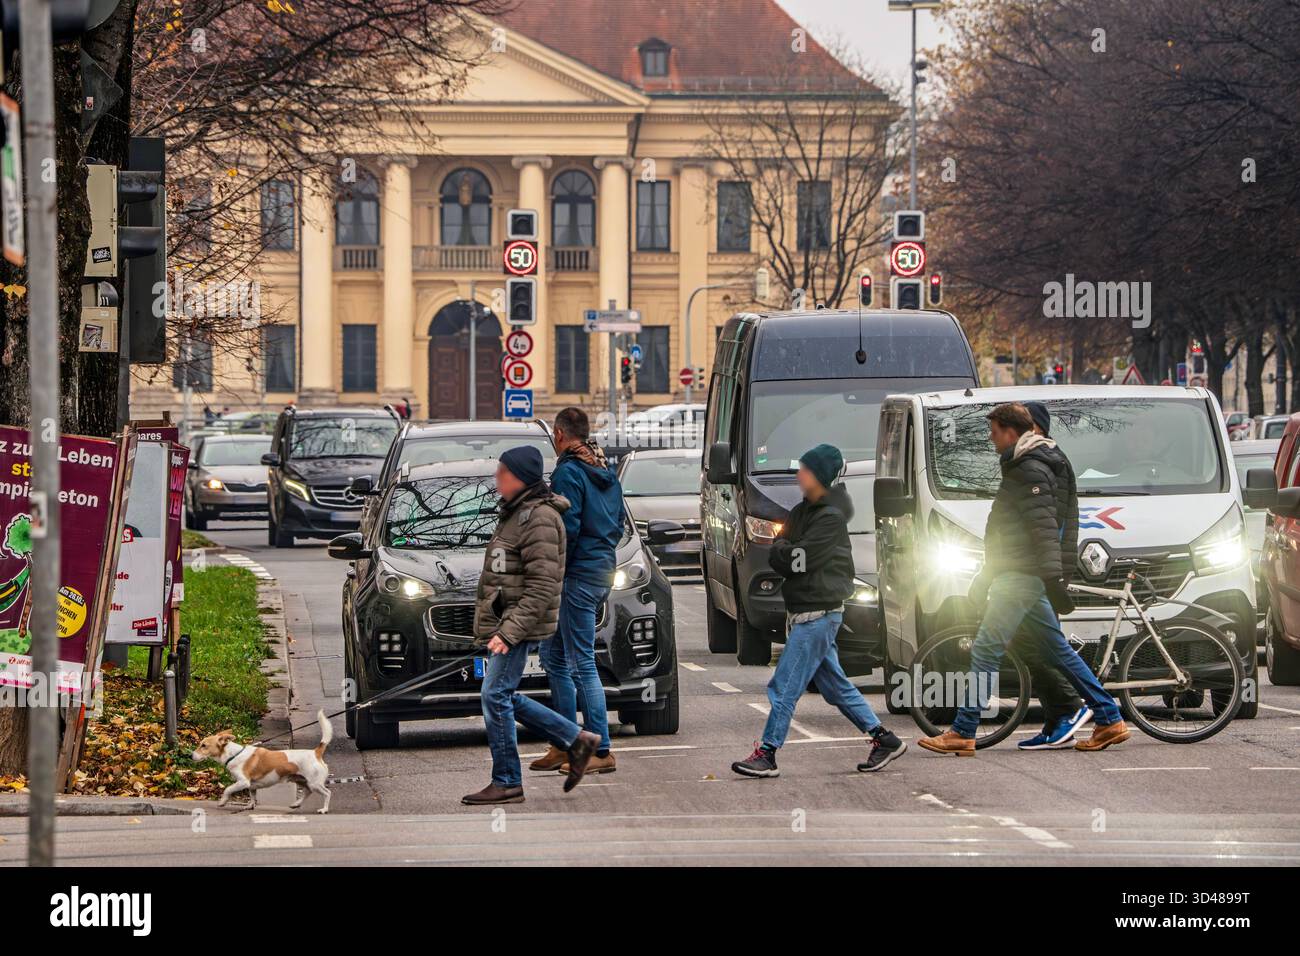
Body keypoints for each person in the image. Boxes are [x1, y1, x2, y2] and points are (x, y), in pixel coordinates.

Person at [919, 403, 1128, 756]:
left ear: (1011, 432)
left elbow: (1044, 528)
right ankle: (1108, 716)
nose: (990, 437)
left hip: (1019, 575)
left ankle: (964, 729)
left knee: (986, 648)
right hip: (1018, 573)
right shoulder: (1023, 464)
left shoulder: (1030, 468)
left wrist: (1050, 580)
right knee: (1055, 649)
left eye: (994, 430)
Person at [732, 443, 906, 778]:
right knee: (835, 687)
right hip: (805, 611)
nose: (799, 474)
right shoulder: (802, 511)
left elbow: (797, 558)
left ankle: (767, 753)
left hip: (818, 614)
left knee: (783, 687)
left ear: (820, 476)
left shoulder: (830, 518)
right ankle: (884, 739)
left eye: (805, 469)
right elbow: (783, 551)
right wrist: (784, 550)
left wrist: (783, 550)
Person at [464, 445, 599, 805]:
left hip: (516, 623)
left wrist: (508, 632)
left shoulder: (539, 518)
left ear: (520, 477)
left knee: (495, 694)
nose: (497, 480)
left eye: (502, 473)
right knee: (500, 694)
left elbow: (543, 586)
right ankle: (576, 739)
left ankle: (508, 780)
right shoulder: (516, 513)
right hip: (507, 620)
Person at [530, 407, 622, 776]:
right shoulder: (603, 469)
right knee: (553, 657)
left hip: (576, 576)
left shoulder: (569, 471)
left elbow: (565, 527)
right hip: (600, 570)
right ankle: (565, 743)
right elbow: (615, 524)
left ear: (559, 434)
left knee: (581, 662)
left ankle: (599, 749)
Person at [1010, 401, 1093, 749]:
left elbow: (1048, 525)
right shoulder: (1035, 460)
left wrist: (1046, 573)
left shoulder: (1046, 462)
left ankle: (1082, 708)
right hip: (1036, 570)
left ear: (1037, 429)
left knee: (1044, 646)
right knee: (1033, 645)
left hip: (1039, 572)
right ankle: (1056, 720)